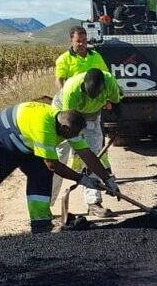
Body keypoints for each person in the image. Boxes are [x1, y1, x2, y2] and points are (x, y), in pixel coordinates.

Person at [0, 102, 119, 250]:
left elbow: (86, 153)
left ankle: (41, 224)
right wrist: (81, 179)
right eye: (73, 134)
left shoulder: (67, 124)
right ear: (65, 128)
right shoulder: (45, 129)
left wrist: (107, 178)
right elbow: (53, 164)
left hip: (26, 145)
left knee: (42, 176)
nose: (75, 137)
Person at [51, 68, 122, 218]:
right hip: (65, 116)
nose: (92, 96)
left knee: (94, 156)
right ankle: (46, 205)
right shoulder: (72, 89)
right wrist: (79, 150)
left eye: (96, 94)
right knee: (57, 157)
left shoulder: (110, 83)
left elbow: (116, 104)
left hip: (92, 116)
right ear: (84, 85)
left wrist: (116, 126)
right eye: (89, 94)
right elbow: (68, 122)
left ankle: (93, 202)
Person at [55, 25, 109, 90]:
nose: (81, 44)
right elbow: (59, 80)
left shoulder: (96, 55)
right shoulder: (64, 58)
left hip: (95, 96)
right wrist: (62, 93)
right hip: (74, 96)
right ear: (71, 41)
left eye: (84, 40)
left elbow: (106, 75)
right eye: (78, 41)